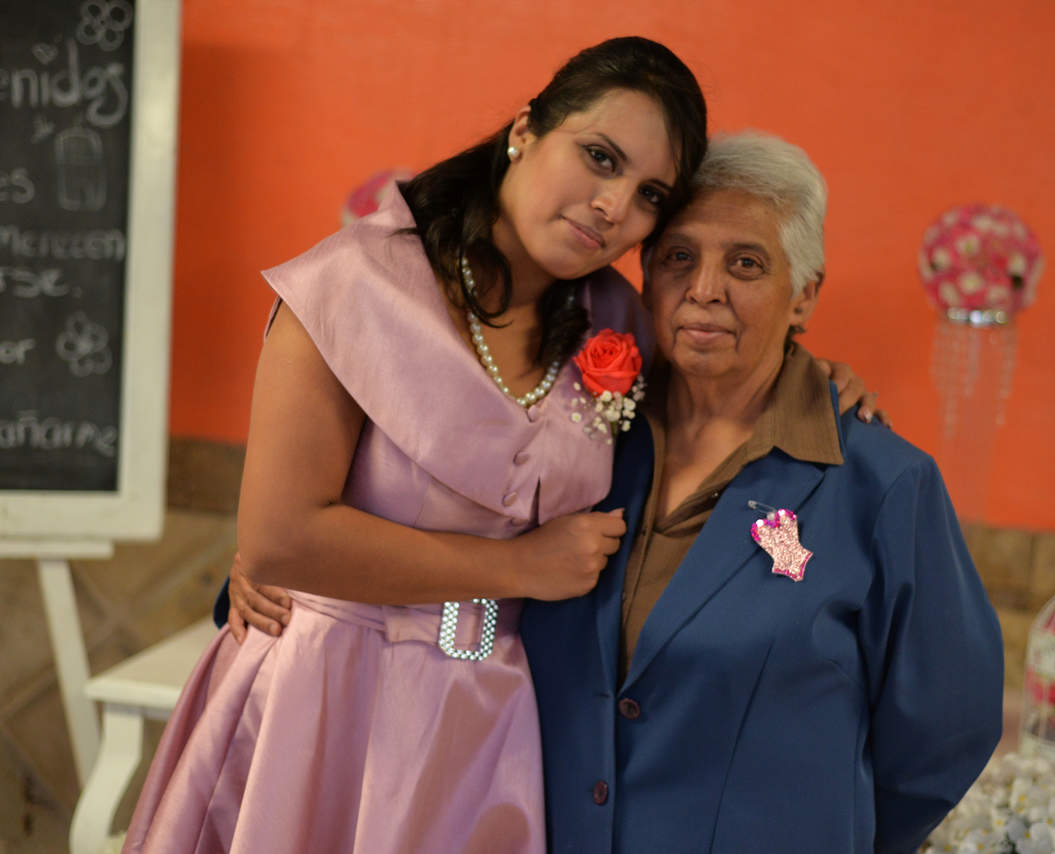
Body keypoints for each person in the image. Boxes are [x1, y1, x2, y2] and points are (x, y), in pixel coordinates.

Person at [122, 37, 710, 854]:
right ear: (526, 130)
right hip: (321, 701)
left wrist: (822, 384)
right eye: (599, 157)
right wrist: (519, 568)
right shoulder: (355, 283)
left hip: (492, 720)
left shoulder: (617, 322)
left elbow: (722, 403)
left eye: (649, 194)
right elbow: (281, 538)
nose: (614, 206)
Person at [519, 132, 1005, 853]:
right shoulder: (580, 440)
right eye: (678, 257)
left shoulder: (884, 484)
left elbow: (946, 732)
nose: (704, 289)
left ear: (804, 295)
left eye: (745, 263)